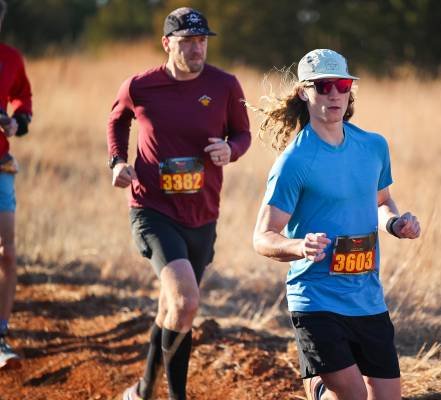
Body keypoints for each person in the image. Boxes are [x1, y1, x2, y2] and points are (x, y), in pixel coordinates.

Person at [252, 49, 420, 400]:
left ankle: (319, 390)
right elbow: (263, 237)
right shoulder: (294, 161)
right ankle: (319, 388)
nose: (334, 94)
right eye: (323, 85)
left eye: (341, 85)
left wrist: (395, 223)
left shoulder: (373, 146)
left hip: (367, 298)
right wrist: (300, 246)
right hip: (316, 300)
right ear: (304, 92)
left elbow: (380, 202)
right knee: (354, 395)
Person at [106, 7, 251, 400]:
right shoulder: (140, 86)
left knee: (171, 309)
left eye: (202, 41)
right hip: (152, 209)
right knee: (186, 303)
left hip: (202, 214)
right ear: (167, 44)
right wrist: (117, 161)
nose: (197, 49)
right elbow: (117, 120)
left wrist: (231, 150)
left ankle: (143, 389)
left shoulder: (225, 85)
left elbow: (242, 134)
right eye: (187, 42)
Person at [0, 0, 33, 370]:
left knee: (6, 252)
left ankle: (0, 334)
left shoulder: (10, 58)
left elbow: (23, 97)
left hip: (0, 164)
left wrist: (15, 121)